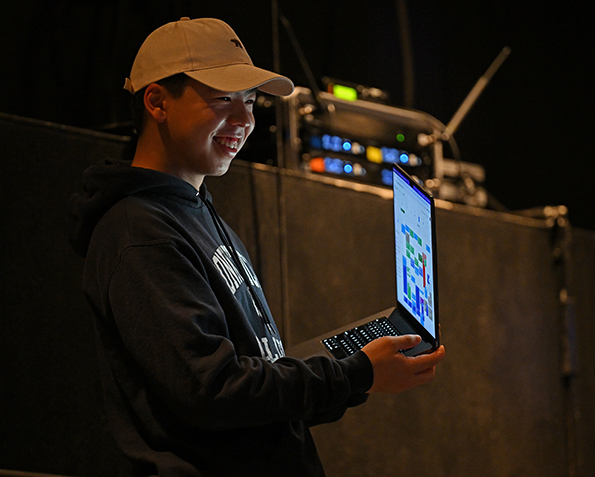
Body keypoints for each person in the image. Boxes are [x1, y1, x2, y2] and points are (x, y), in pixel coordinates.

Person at [68, 17, 445, 476]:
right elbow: (214, 390)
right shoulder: (138, 232)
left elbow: (257, 384)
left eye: (249, 102)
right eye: (223, 99)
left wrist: (356, 374)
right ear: (157, 102)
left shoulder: (195, 210)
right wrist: (355, 372)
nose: (245, 120)